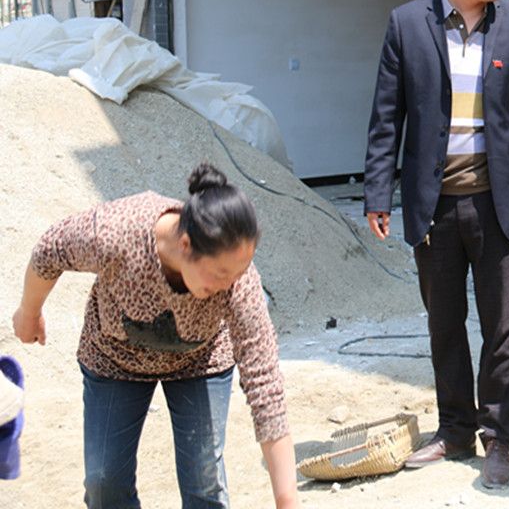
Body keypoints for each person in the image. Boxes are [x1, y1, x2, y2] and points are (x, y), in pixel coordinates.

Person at [365, 0, 509, 489]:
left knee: (502, 329)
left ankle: (498, 438)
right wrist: (378, 193)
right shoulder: (407, 24)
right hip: (433, 206)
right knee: (445, 323)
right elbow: (386, 117)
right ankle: (455, 428)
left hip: (496, 202)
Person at [12, 163, 298, 509]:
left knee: (204, 481)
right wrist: (29, 312)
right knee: (104, 483)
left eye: (237, 274)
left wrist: (287, 501)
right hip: (114, 359)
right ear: (186, 244)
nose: (229, 285)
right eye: (220, 273)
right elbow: (50, 249)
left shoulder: (238, 283)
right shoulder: (117, 233)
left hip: (201, 361)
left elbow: (265, 383)